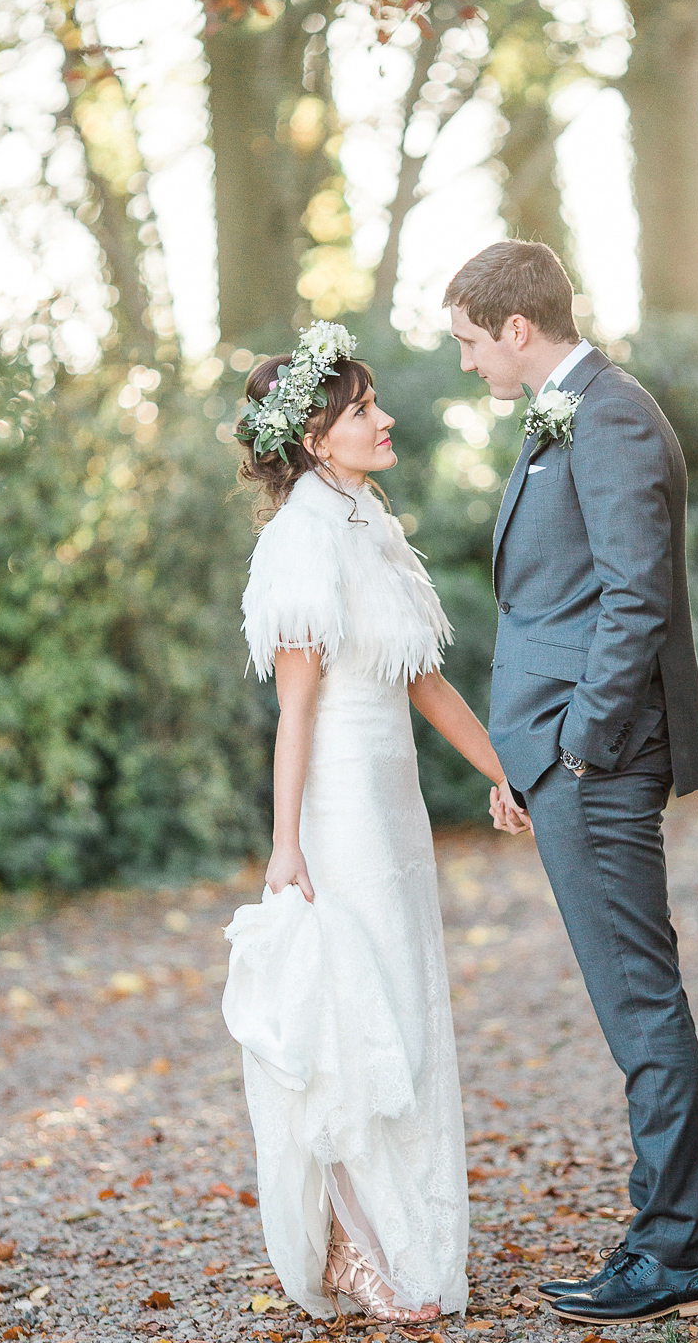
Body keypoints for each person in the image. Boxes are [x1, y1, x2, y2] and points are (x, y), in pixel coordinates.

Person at [222, 321, 527, 1326]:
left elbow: (424, 680)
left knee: (406, 1003)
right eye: (362, 411)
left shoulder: (370, 525)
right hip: (340, 805)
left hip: (395, 807)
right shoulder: (301, 541)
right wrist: (286, 846)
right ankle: (356, 1246)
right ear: (316, 438)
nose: (384, 418)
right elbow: (296, 711)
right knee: (359, 1020)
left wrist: (504, 771)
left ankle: (403, 1232)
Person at [445, 241, 698, 1326]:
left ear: (518, 328)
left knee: (639, 1000)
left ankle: (673, 1252)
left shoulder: (606, 415)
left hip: (597, 761)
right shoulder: (566, 409)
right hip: (560, 753)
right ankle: (664, 1237)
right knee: (630, 1002)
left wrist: (576, 750)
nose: (465, 362)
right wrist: (528, 756)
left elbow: (635, 601)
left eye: (469, 340)